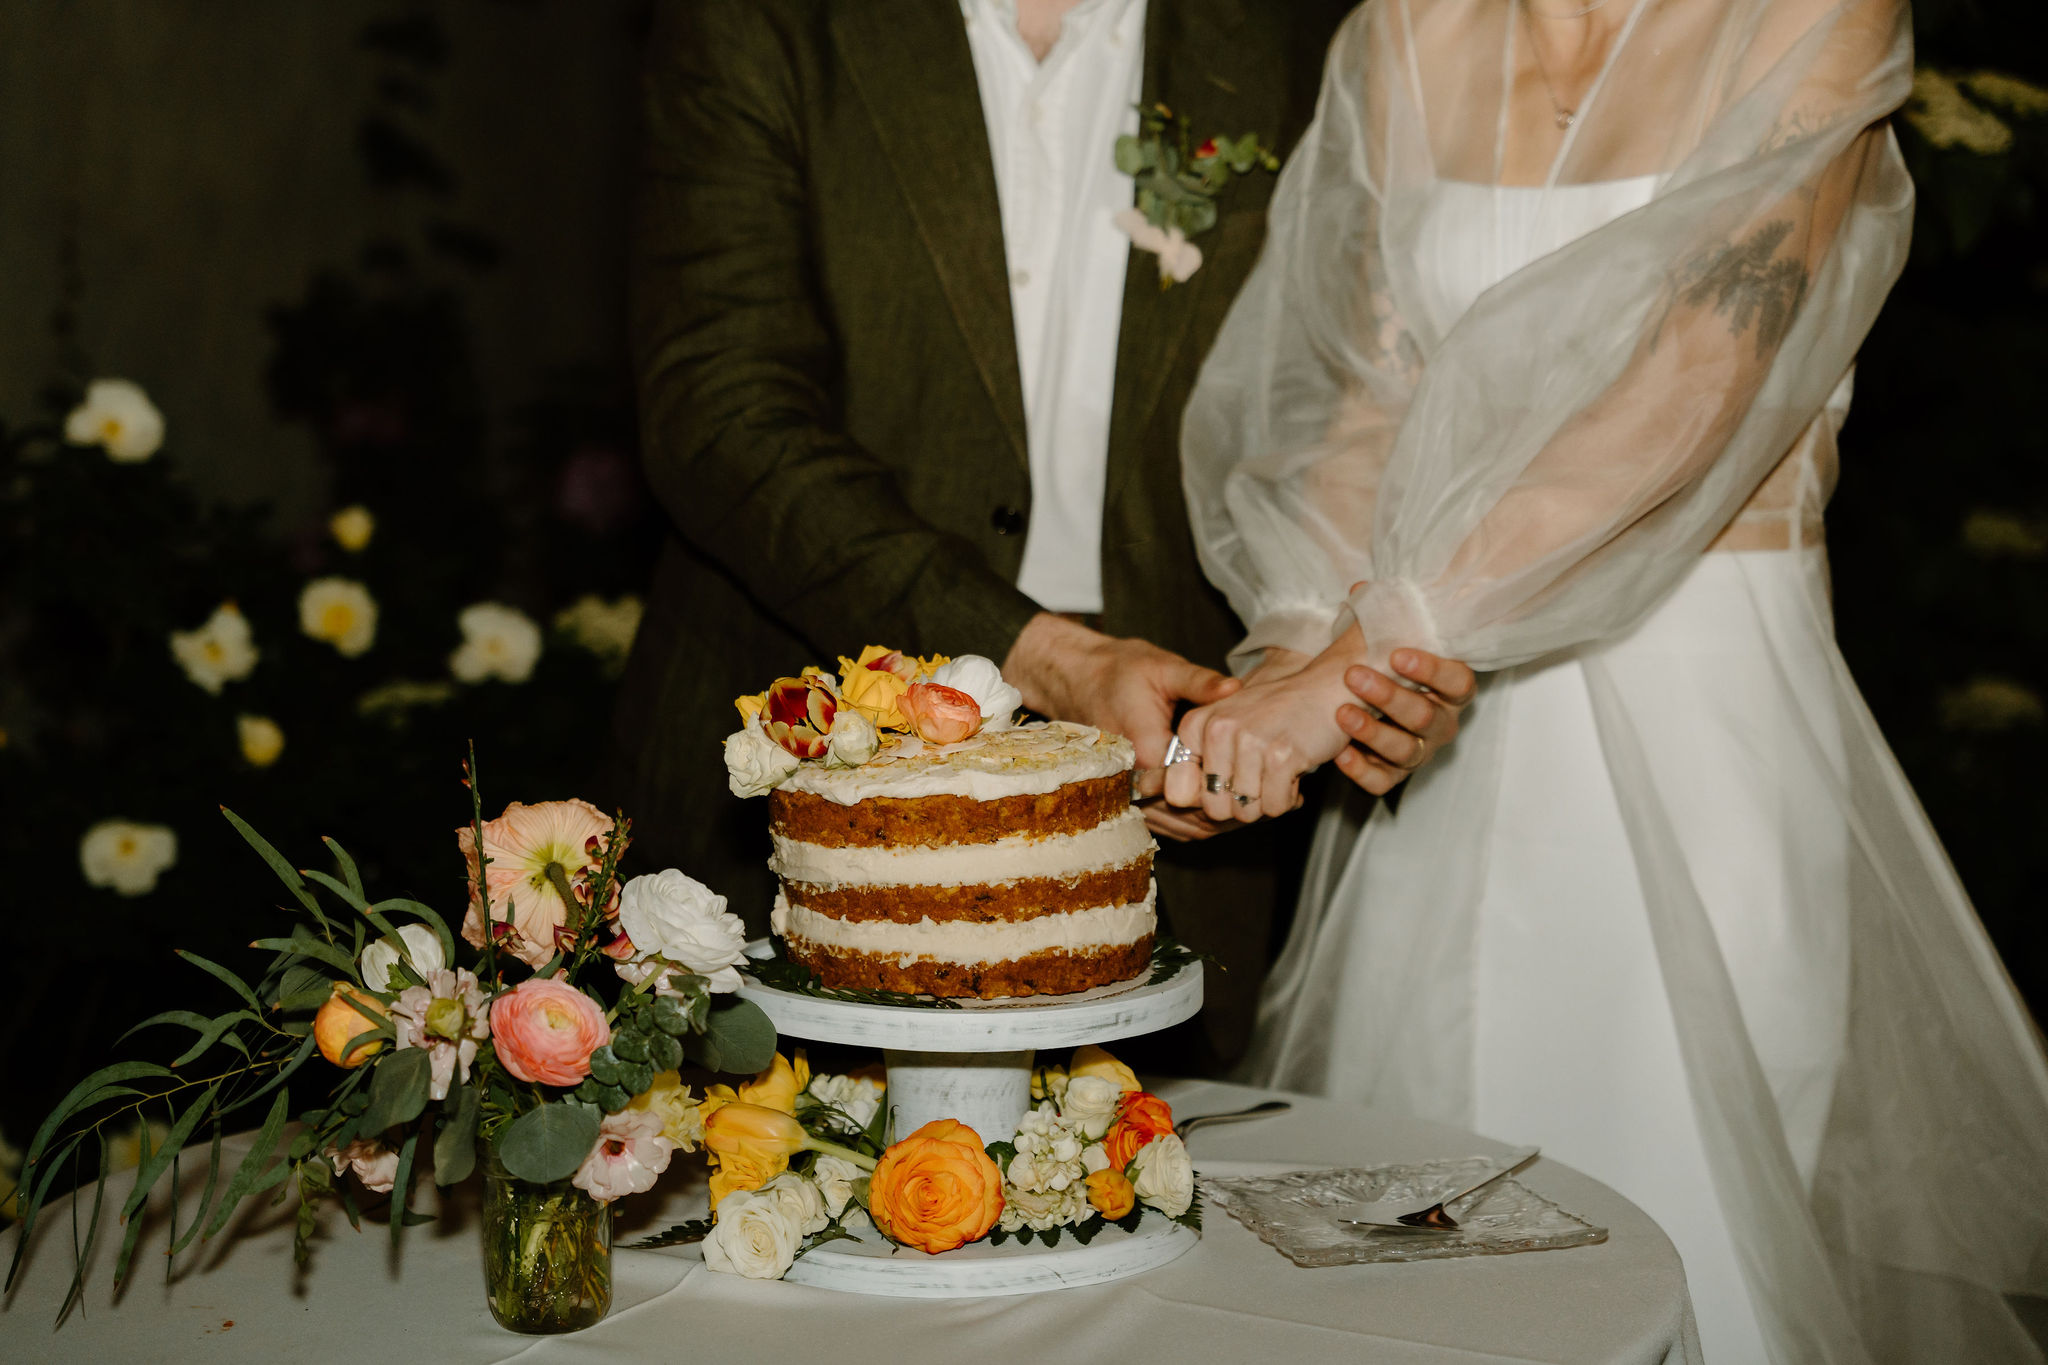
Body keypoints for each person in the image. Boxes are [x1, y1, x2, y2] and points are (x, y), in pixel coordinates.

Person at [1170, 0, 2048, 1358]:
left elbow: (1695, 387)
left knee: (1689, 1226)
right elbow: (1362, 402)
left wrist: (1386, 628)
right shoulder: (1405, 31)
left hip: (1703, 723)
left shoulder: (1814, 15)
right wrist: (1301, 663)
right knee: (1413, 1268)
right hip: (1438, 747)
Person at [611, 0, 1475, 1068]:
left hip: (1183, 814)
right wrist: (1046, 656)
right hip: (801, 783)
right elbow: (719, 415)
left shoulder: (1300, 36)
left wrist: (1358, 664)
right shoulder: (765, 25)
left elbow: (1360, 407)